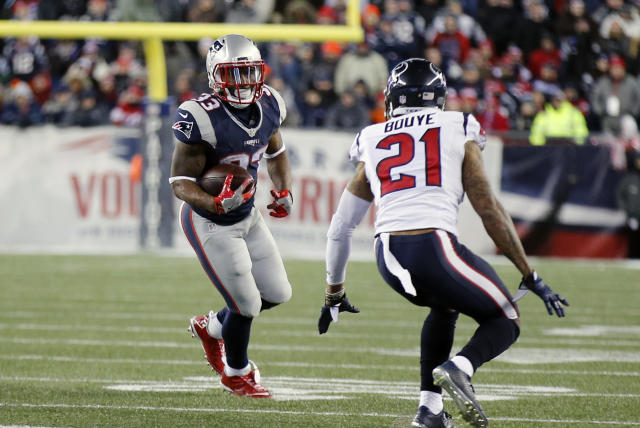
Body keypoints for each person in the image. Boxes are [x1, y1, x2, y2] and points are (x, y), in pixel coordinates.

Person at [318, 58, 569, 428]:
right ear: (438, 97)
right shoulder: (457, 125)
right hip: (432, 246)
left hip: (387, 255)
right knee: (506, 317)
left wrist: (334, 292)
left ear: (393, 98)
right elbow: (489, 209)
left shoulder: (372, 137)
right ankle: (460, 367)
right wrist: (529, 274)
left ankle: (429, 410)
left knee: (445, 306)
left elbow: (340, 228)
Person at [169, 34, 293, 398]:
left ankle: (211, 327)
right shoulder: (200, 115)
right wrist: (213, 203)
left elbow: (278, 151)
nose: (243, 83)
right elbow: (180, 182)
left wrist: (283, 190)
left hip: (247, 213)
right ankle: (236, 373)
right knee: (246, 305)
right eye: (233, 75)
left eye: (248, 73)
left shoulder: (270, 103)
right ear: (215, 75)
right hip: (209, 220)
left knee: (277, 293)